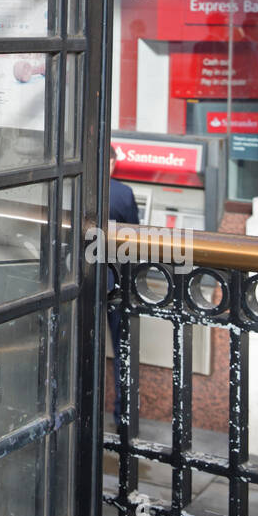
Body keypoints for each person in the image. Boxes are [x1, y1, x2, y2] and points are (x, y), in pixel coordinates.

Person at [108, 145, 139, 429]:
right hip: (116, 281)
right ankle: (123, 419)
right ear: (113, 163)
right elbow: (137, 240)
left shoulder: (76, 189)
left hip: (81, 280)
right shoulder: (123, 194)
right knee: (122, 350)